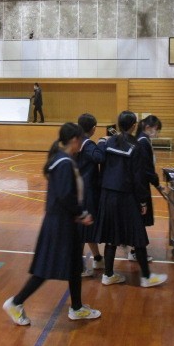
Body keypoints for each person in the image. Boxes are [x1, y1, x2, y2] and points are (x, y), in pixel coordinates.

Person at [3, 123, 101, 326]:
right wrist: (81, 213)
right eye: (80, 140)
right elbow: (65, 195)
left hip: (64, 222)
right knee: (45, 269)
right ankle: (15, 302)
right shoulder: (64, 162)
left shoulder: (61, 159)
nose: (81, 144)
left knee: (74, 265)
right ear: (74, 140)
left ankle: (77, 308)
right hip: (60, 224)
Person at [94, 111, 167, 288]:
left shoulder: (108, 142)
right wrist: (143, 201)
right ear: (134, 125)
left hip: (107, 194)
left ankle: (108, 275)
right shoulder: (136, 146)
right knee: (138, 235)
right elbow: (138, 177)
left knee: (111, 236)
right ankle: (146, 277)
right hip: (126, 196)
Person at [128, 115, 164, 262]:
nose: (157, 133)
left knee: (139, 220)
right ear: (148, 127)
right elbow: (146, 169)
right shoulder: (143, 142)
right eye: (157, 129)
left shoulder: (143, 140)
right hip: (140, 186)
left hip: (141, 184)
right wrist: (158, 184)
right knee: (139, 219)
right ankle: (136, 251)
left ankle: (134, 249)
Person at [77, 113, 105, 276]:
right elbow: (99, 157)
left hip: (80, 189)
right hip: (86, 192)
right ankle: (79, 267)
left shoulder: (76, 141)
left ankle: (98, 258)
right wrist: (102, 143)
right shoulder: (87, 144)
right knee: (82, 229)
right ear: (94, 128)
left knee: (87, 227)